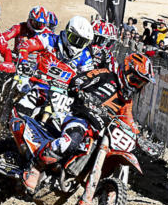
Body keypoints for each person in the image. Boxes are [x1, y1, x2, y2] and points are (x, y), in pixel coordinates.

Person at [13, 52, 154, 195]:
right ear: (125, 70)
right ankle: (36, 167)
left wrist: (141, 140)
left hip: (97, 133)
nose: (136, 86)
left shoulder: (126, 102)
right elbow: (79, 80)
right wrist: (80, 91)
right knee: (71, 141)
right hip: (78, 117)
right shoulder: (105, 75)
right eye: (134, 80)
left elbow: (129, 122)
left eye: (140, 84)